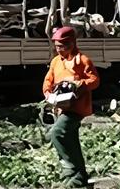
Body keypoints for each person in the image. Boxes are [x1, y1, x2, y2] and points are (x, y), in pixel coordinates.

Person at [42, 27, 100, 188]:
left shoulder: (82, 60)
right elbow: (48, 80)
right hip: (60, 107)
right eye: (57, 46)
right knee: (72, 141)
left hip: (77, 107)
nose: (60, 49)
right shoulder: (55, 62)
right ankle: (80, 176)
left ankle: (70, 170)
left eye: (63, 46)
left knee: (57, 133)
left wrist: (80, 84)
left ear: (72, 44)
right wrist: (47, 93)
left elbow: (94, 80)